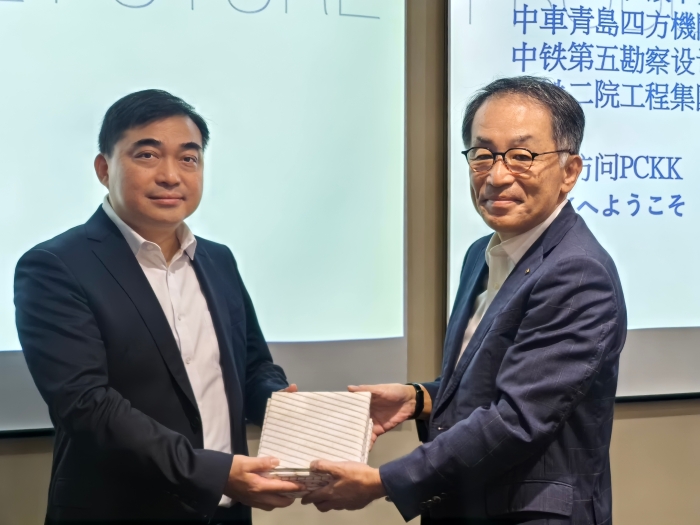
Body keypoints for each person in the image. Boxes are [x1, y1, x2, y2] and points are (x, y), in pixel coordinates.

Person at [300, 76, 627, 525]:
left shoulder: (577, 272)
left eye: (522, 156)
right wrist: (420, 398)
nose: (496, 176)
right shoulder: (482, 254)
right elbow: (492, 382)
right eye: (483, 154)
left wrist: (383, 481)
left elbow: (517, 419)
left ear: (569, 171)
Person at [14, 89, 303, 524]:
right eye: (147, 155)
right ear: (104, 168)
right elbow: (87, 405)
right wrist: (213, 473)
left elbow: (252, 367)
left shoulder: (218, 259)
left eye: (189, 159)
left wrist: (293, 411)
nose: (171, 176)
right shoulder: (55, 266)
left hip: (226, 512)